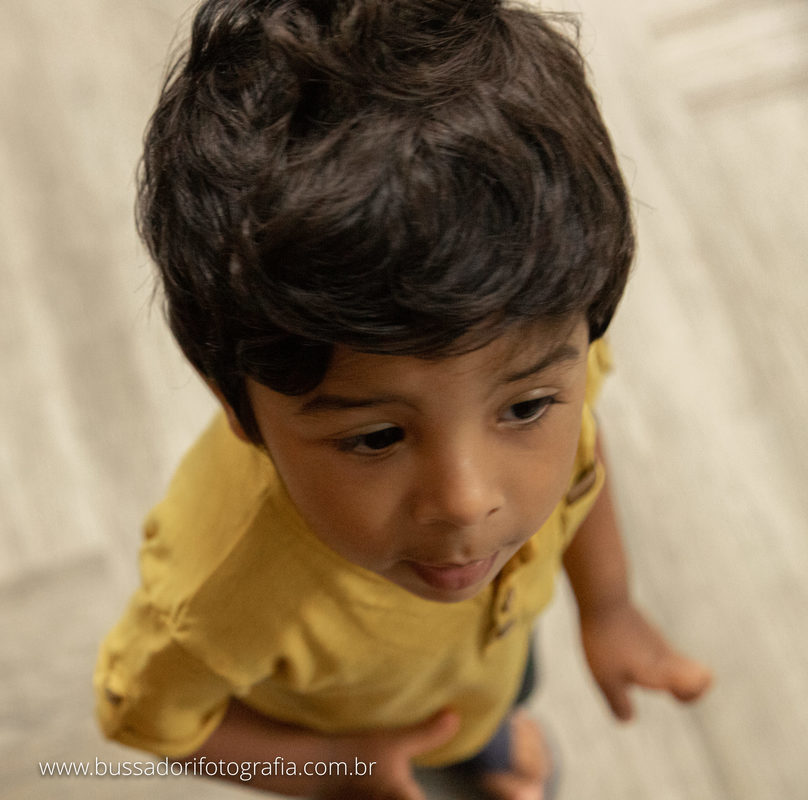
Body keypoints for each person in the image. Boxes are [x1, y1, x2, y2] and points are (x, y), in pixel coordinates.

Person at [95, 1, 713, 797]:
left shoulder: (543, 348)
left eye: (525, 410)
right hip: (358, 733)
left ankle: (485, 741)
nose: (466, 502)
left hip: (488, 646)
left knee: (500, 702)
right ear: (233, 398)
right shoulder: (216, 599)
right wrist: (339, 769)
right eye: (378, 437)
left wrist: (609, 607)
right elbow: (144, 717)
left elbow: (584, 460)